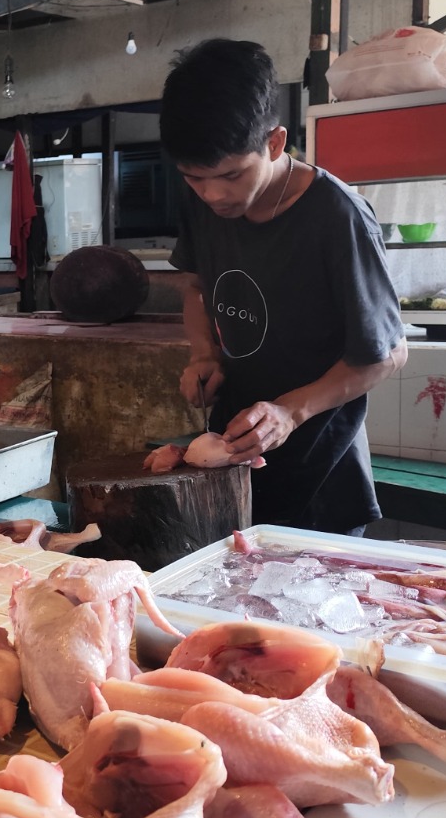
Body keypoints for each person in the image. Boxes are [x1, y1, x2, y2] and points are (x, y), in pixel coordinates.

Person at [163, 39, 406, 535]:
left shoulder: (336, 217)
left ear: (274, 143)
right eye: (194, 178)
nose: (213, 194)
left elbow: (387, 355)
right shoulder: (202, 203)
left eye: (231, 175)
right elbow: (194, 286)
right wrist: (203, 353)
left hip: (320, 465)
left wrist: (289, 412)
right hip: (236, 454)